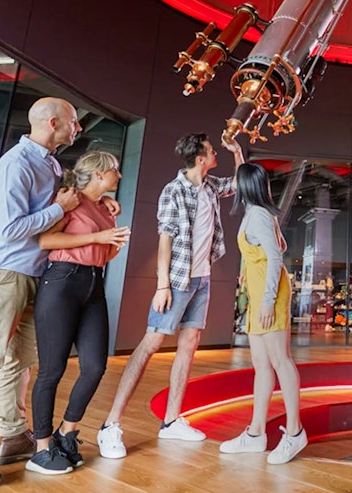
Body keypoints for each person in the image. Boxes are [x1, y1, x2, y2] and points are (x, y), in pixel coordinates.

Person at [0, 97, 103, 488]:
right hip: (4, 272)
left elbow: (63, 208)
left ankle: (13, 435)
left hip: (33, 272)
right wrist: (58, 209)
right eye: (73, 123)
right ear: (52, 122)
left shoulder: (49, 163)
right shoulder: (16, 164)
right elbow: (11, 228)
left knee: (21, 360)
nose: (77, 129)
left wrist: (92, 202)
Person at [96, 132, 243, 459]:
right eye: (213, 150)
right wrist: (162, 284)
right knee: (151, 343)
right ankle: (110, 424)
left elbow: (241, 184)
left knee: (189, 346)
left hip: (202, 279)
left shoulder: (210, 186)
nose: (215, 152)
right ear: (201, 158)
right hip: (177, 281)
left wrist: (236, 152)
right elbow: (165, 238)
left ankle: (172, 420)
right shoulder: (174, 191)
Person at [26, 151, 131, 475]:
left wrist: (111, 244)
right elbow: (45, 239)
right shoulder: (71, 200)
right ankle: (41, 449)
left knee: (95, 366)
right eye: (115, 170)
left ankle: (67, 432)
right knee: (51, 370)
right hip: (62, 282)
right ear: (99, 174)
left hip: (93, 284)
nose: (119, 175)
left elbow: (103, 253)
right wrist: (98, 237)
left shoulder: (107, 209)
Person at [219, 162, 306, 464]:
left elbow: (274, 256)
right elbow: (268, 249)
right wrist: (246, 272)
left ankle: (295, 432)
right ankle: (256, 434)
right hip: (258, 295)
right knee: (261, 364)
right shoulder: (257, 213)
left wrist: (268, 299)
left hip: (269, 297)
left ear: (243, 187)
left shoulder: (257, 216)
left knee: (280, 360)